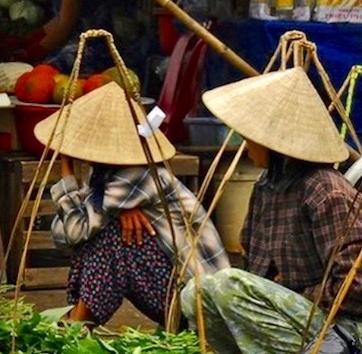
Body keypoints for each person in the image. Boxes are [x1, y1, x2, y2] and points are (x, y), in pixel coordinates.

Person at [180, 68, 362, 354]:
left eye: (250, 138)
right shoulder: (267, 187)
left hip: (344, 328)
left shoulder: (326, 192)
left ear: (273, 143)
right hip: (297, 317)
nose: (245, 143)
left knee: (226, 285)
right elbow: (256, 269)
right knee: (196, 291)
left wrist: (296, 293)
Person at [34, 81, 230, 327]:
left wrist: (66, 170)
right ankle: (76, 321)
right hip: (172, 291)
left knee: (109, 238)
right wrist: (115, 213)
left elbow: (75, 231)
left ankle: (77, 324)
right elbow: (63, 235)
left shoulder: (137, 175)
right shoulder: (102, 176)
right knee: (101, 234)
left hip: (199, 305)